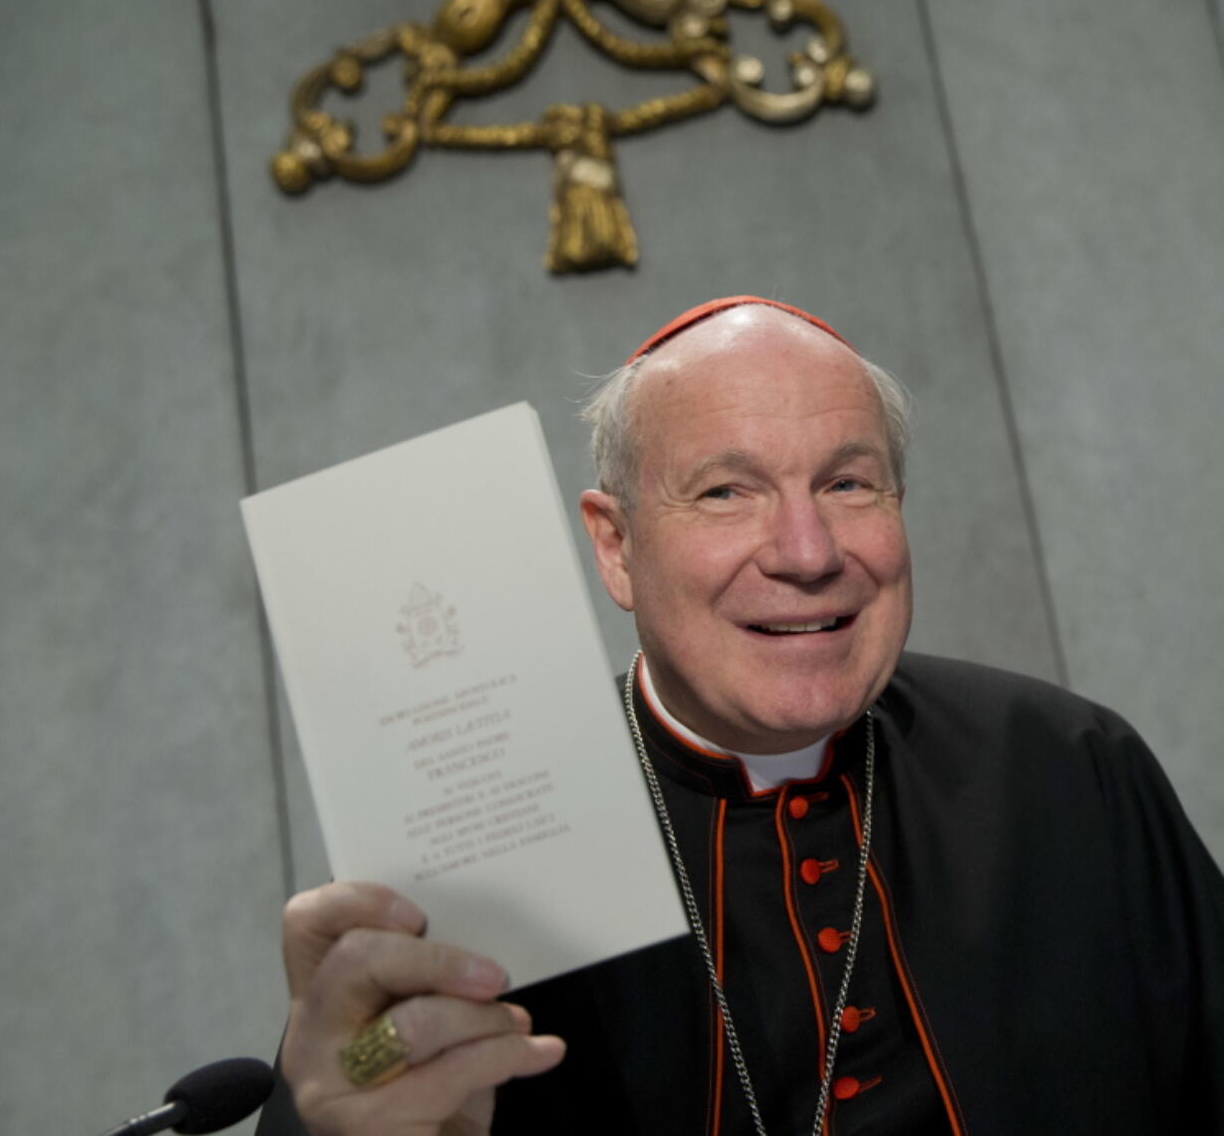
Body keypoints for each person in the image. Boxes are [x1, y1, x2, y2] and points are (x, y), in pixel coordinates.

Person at [256, 296, 1224, 1136]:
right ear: (615, 544)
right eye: (725, 491)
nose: (805, 551)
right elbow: (365, 1095)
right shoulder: (483, 852)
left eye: (847, 483)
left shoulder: (1066, 766)